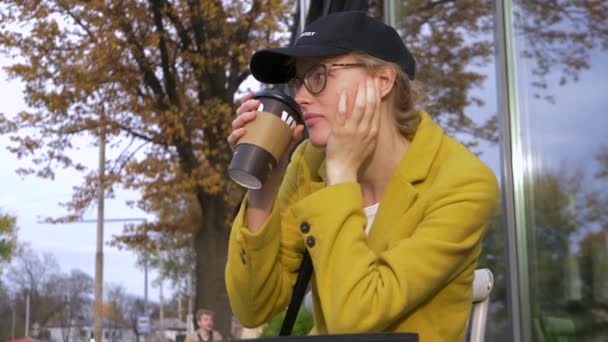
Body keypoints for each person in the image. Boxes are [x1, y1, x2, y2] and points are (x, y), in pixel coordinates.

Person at [225, 11, 498, 341]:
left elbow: (356, 320)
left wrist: (342, 173)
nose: (299, 97)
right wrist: (263, 189)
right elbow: (253, 307)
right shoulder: (307, 163)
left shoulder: (462, 182)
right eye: (298, 81)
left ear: (382, 81)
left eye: (318, 76)